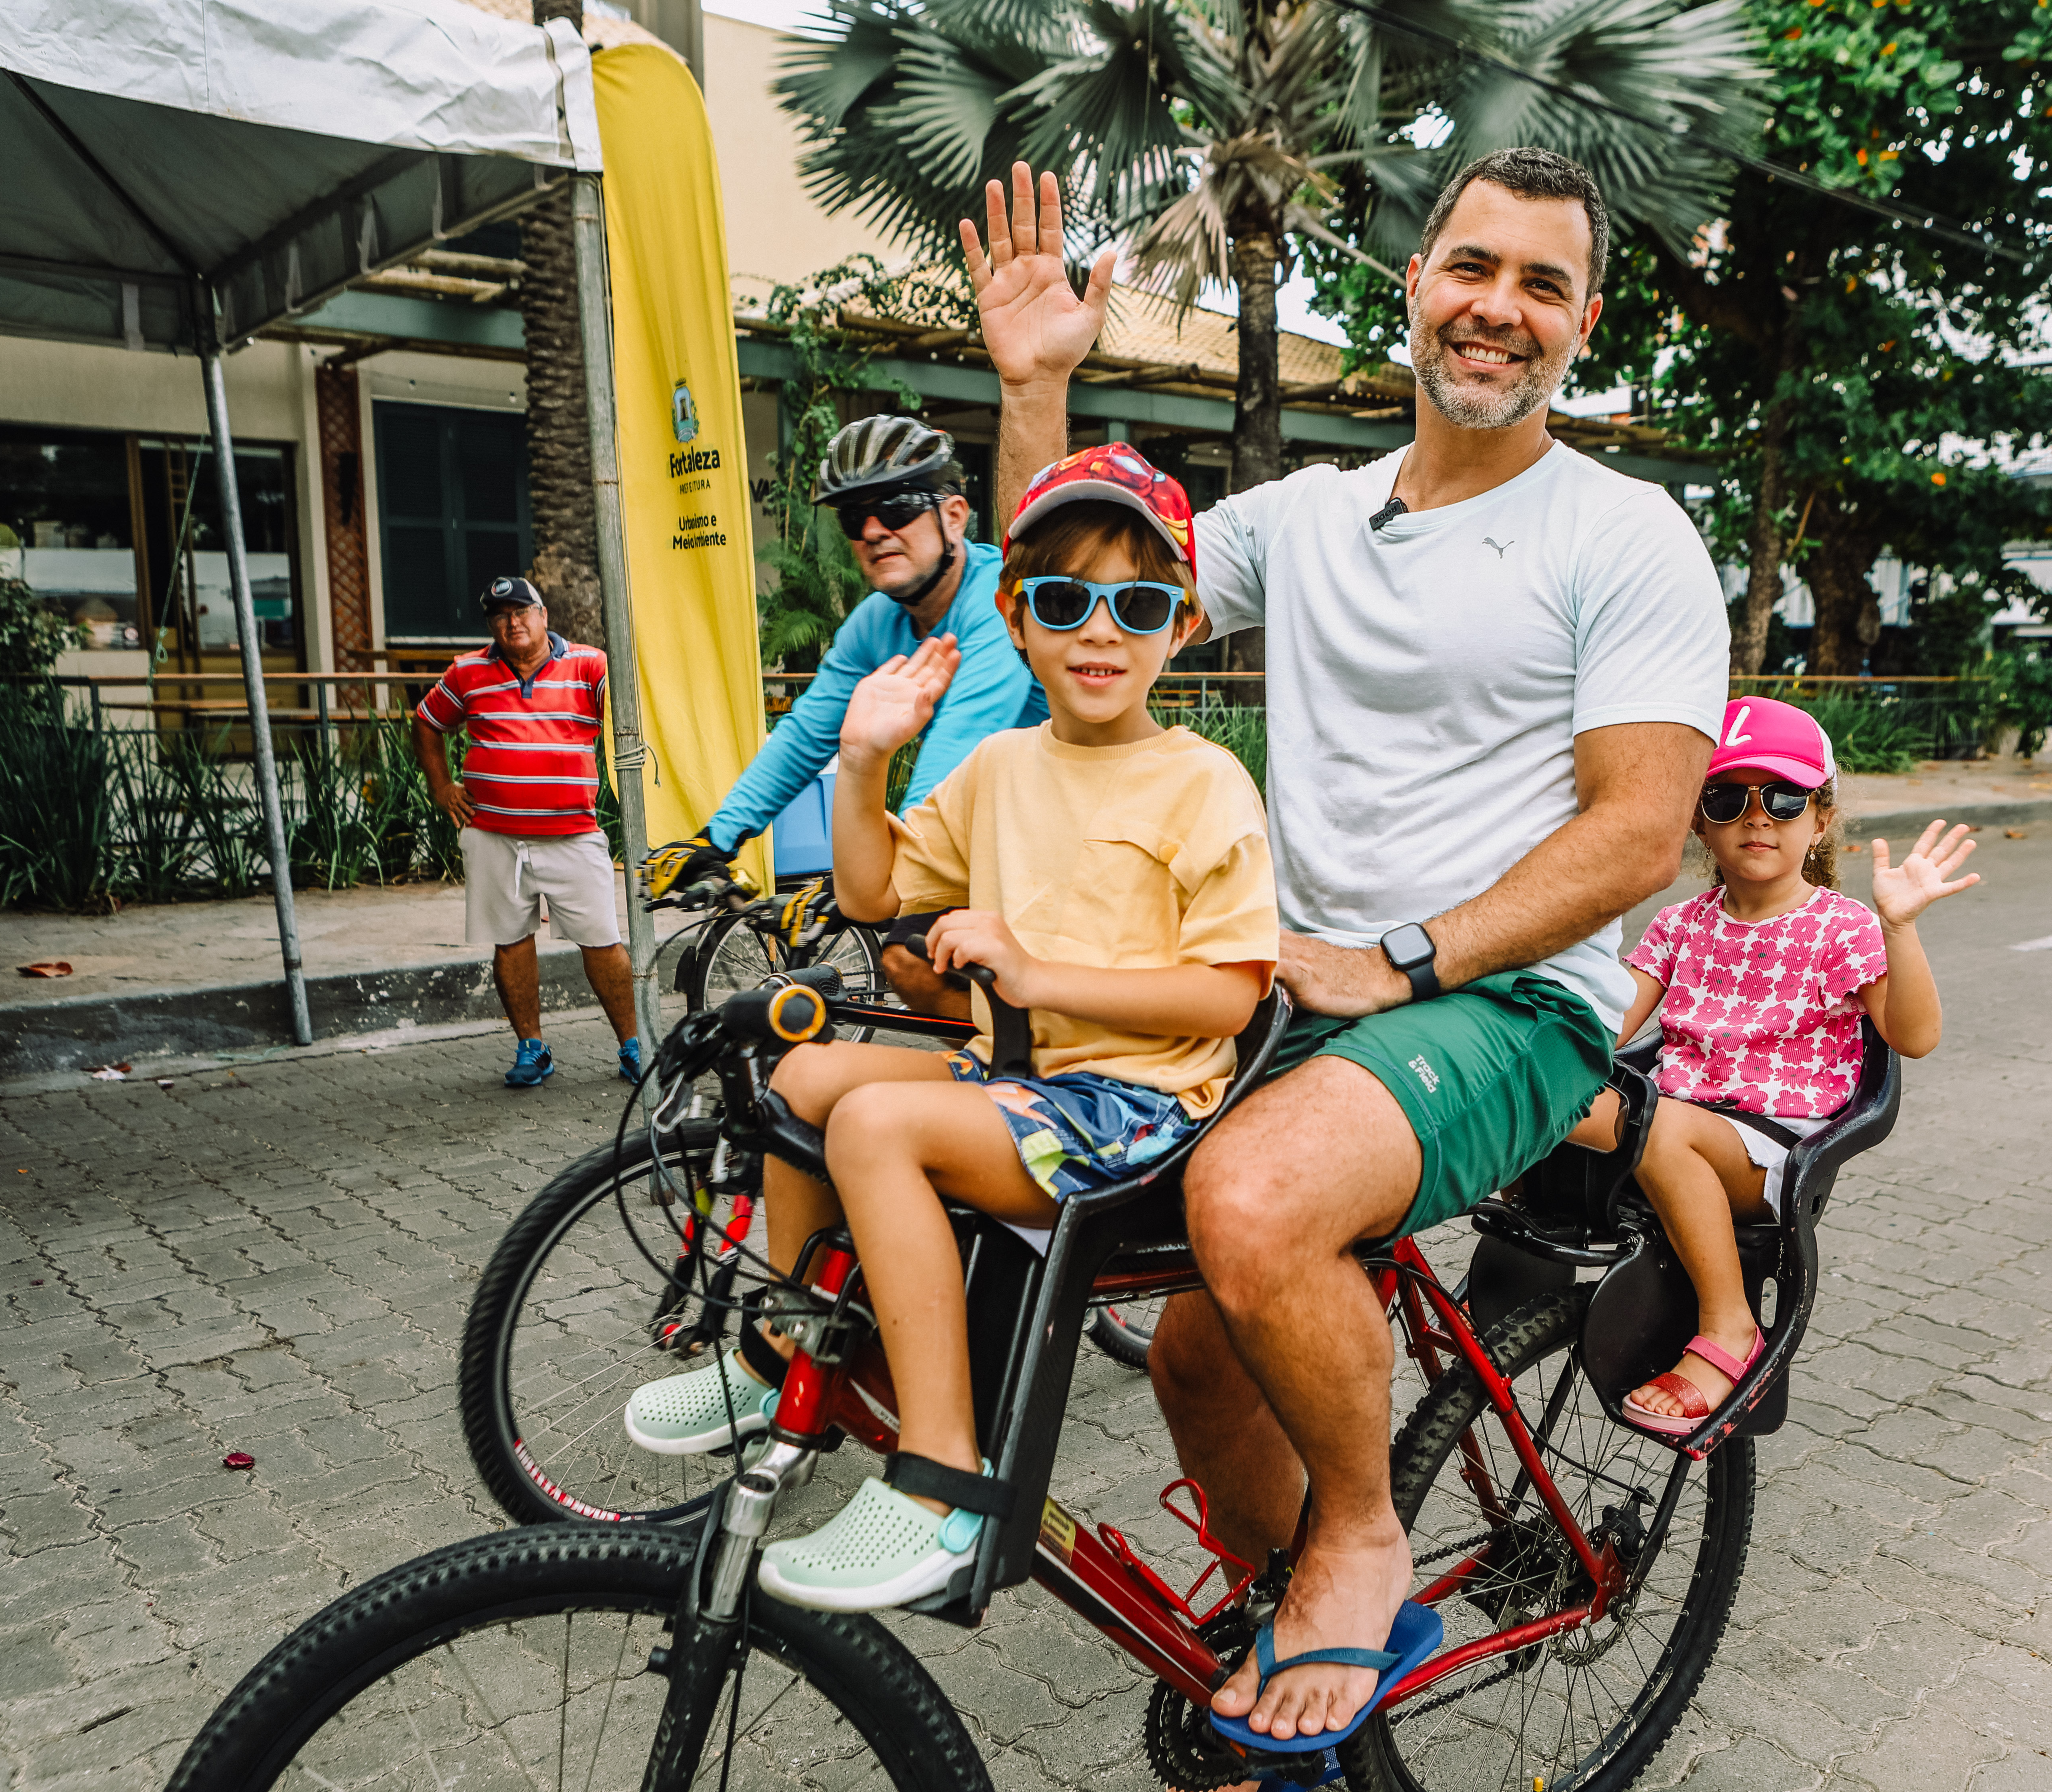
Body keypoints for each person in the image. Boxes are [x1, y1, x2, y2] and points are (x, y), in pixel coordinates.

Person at [968, 146, 1729, 1747]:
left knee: (1250, 1200)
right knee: (1190, 1344)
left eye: (1541, 283)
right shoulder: (1306, 522)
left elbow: (1639, 834)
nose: (1498, 309)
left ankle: (1363, 1543)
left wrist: (1405, 952)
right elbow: (1080, 601)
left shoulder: (1626, 532)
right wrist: (1033, 391)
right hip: (1304, 993)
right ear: (1413, 283)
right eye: (1473, 267)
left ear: (1584, 320)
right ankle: (1281, 1624)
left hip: (1511, 998)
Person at [622, 445, 1278, 1612]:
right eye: (1065, 600)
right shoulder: (998, 765)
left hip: (1138, 1109)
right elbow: (874, 892)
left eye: (1135, 604)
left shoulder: (1202, 781)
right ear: (1016, 619)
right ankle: (784, 1343)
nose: (1099, 631)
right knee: (806, 1068)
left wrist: (1033, 967)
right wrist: (863, 758)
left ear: (1180, 627)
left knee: (875, 1124)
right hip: (1023, 1076)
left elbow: (1229, 995)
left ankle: (938, 1477)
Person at [1568, 696, 1976, 1433]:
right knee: (1547, 1091)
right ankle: (1501, 1275)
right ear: (1700, 821)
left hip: (1770, 1148)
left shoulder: (1840, 927)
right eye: (1728, 799)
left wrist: (1899, 927)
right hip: (1678, 1120)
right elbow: (1603, 1022)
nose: (1757, 817)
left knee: (1662, 1127)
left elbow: (1914, 1037)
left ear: (1820, 820)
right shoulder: (1682, 922)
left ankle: (1731, 1330)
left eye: (1784, 799)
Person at [648, 415, 1045, 1015]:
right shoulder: (875, 624)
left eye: (898, 507)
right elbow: (806, 736)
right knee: (915, 963)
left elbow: (960, 748)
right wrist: (718, 837)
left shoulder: (996, 603)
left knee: (927, 961)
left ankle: (1036, 1073)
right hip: (984, 837)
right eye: (854, 518)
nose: (875, 530)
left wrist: (864, 878)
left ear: (956, 517)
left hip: (1059, 831)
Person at [413, 576, 642, 1088]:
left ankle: (634, 1045)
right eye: (499, 615)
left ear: (544, 615)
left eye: (521, 611)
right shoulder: (469, 671)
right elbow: (428, 722)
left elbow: (631, 715)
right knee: (511, 941)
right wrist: (442, 786)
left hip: (574, 834)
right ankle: (531, 1048)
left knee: (603, 940)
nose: (511, 622)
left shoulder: (590, 663)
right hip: (494, 834)